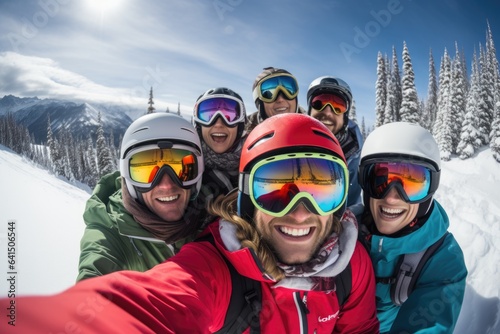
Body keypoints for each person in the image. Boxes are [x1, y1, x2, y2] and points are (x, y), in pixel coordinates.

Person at [3, 114, 379, 333]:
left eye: (321, 189)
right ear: (246, 195)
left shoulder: (349, 264)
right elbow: (141, 304)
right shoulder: (215, 267)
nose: (300, 211)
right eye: (275, 188)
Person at [357, 122, 467, 333]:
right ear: (364, 183)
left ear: (430, 191)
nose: (391, 198)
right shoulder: (341, 235)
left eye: (411, 185)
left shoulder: (443, 258)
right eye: (380, 181)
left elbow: (429, 326)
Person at [77, 112, 207, 281]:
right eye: (146, 172)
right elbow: (94, 274)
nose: (167, 185)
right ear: (127, 178)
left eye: (181, 169)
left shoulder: (211, 217)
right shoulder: (111, 232)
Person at [307, 76, 364, 212]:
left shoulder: (356, 156)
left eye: (338, 106)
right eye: (319, 103)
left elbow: (354, 205)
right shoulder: (289, 143)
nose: (327, 112)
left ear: (345, 116)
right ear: (309, 109)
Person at [192, 87, 247, 196]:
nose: (218, 123)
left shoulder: (257, 163)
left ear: (239, 126)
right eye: (208, 116)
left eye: (229, 116)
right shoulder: (189, 168)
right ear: (199, 126)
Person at [245, 66, 306, 133]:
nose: (280, 99)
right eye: (269, 94)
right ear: (259, 102)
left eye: (288, 91)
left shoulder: (314, 128)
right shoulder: (241, 136)